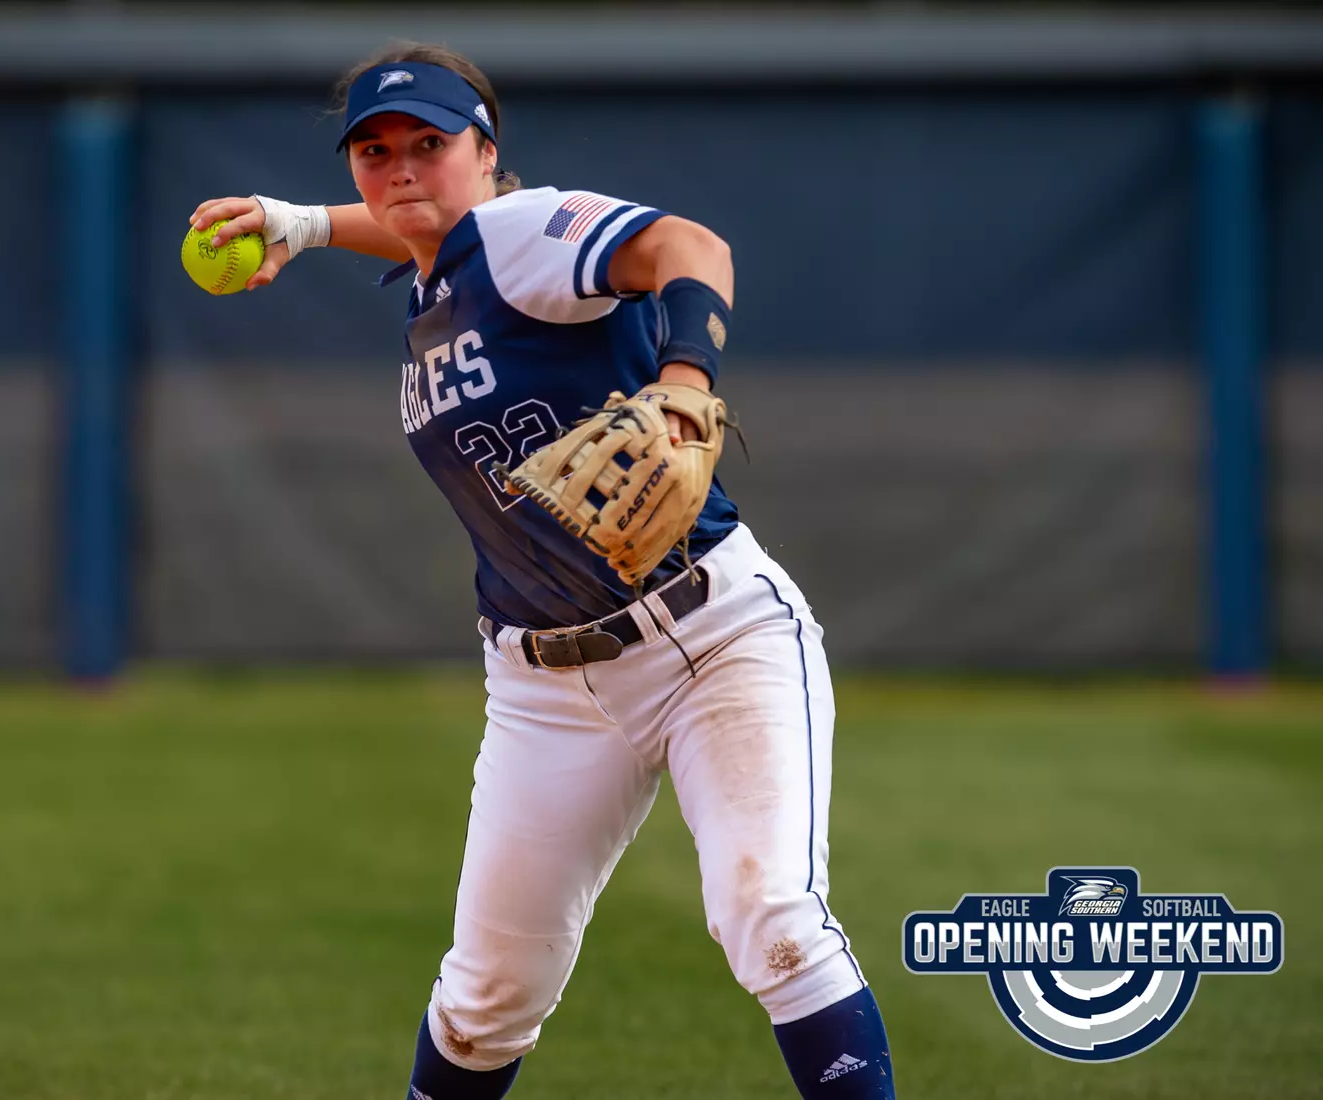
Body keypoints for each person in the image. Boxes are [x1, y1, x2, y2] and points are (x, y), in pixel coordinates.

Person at [191, 43, 895, 1100]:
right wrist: (300, 223)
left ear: (485, 152)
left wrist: (686, 378)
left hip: (711, 639)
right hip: (545, 688)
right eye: (374, 152)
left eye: (429, 144)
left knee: (771, 913)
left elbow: (689, 245)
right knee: (485, 997)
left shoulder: (522, 236)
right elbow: (413, 221)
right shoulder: (440, 272)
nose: (401, 169)